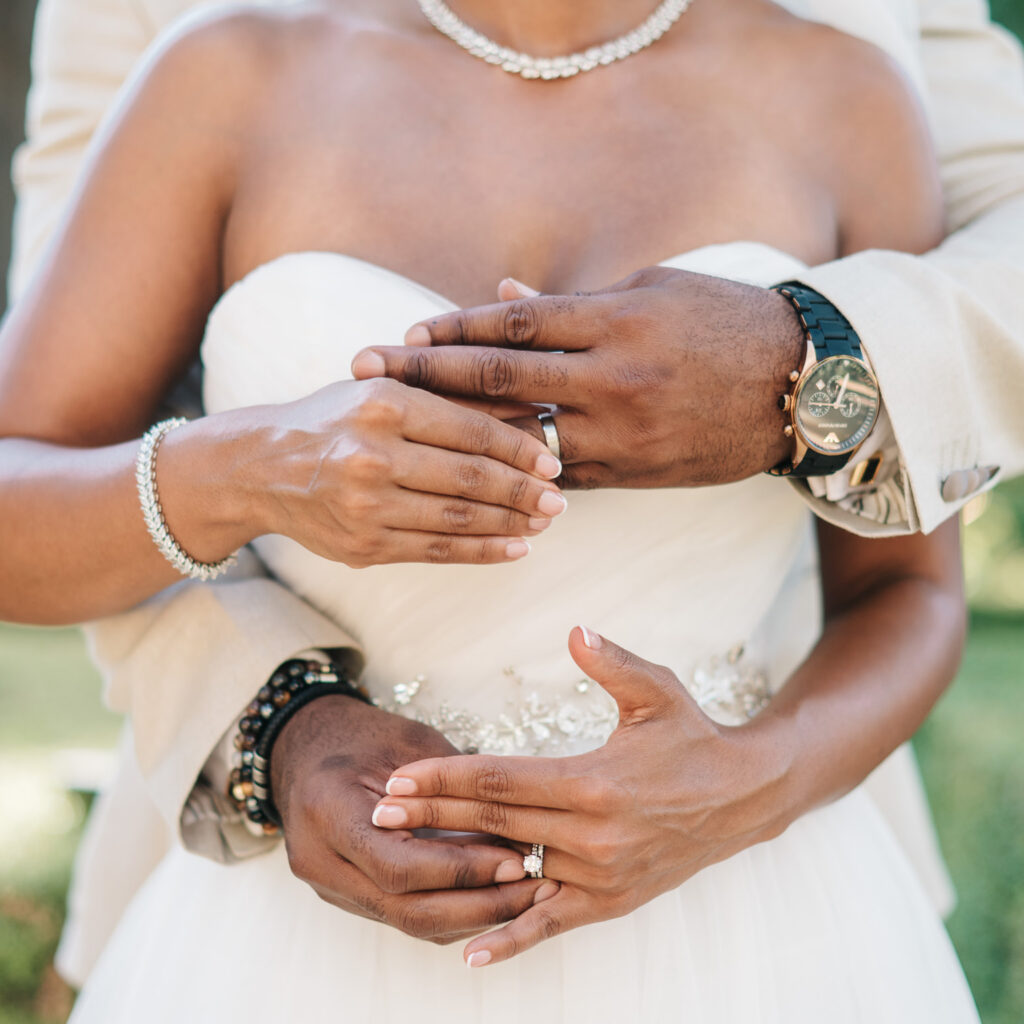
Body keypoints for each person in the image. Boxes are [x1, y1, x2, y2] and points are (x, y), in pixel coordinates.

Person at [0, 0, 986, 1018]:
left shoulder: (846, 99)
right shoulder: (227, 74)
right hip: (300, 935)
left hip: (747, 921)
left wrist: (753, 781)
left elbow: (910, 594)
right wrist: (247, 470)